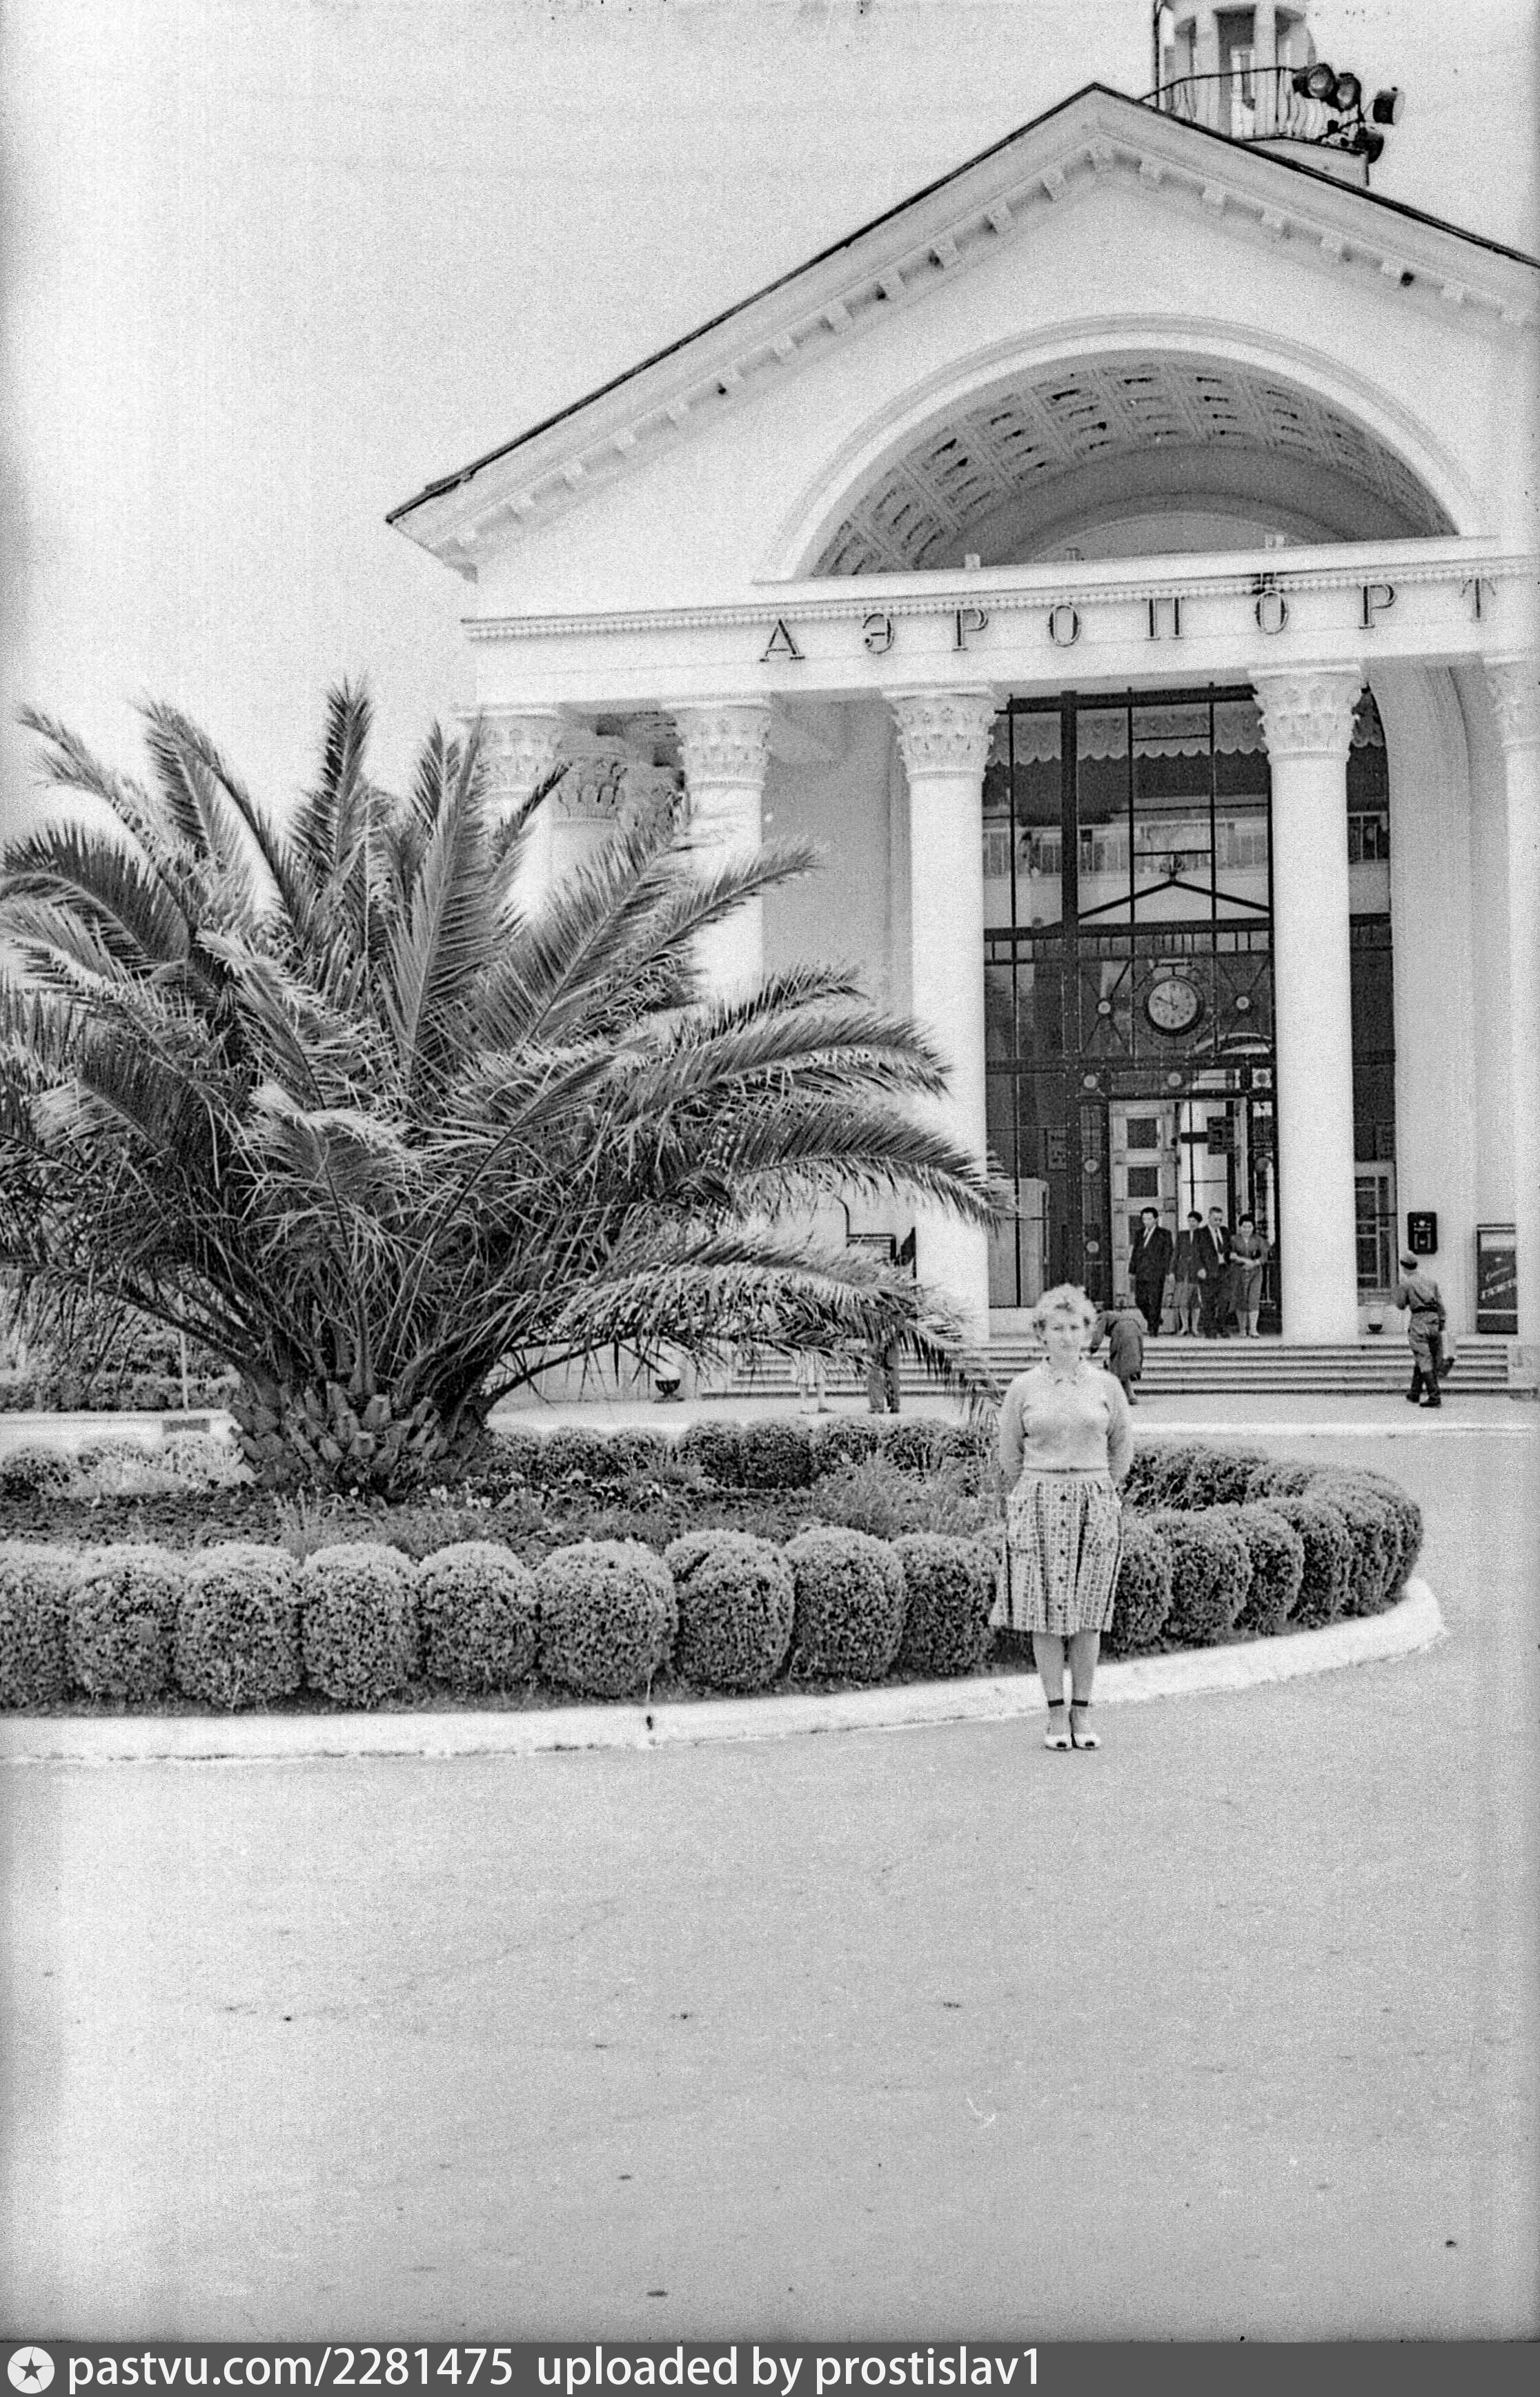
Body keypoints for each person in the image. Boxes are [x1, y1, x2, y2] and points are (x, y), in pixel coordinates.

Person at [994, 1282, 1134, 1751]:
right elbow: (1010, 1453)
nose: (1067, 1336)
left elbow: (1121, 1448)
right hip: (1039, 1500)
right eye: (1057, 1328)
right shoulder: (1023, 1388)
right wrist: (1041, 1485)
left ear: (1088, 1332)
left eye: (1075, 1327)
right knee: (1045, 1613)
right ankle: (1056, 1714)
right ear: (1042, 1334)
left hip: (1095, 1502)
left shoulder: (1107, 1386)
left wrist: (1098, 1487)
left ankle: (1083, 1711)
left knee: (1089, 1613)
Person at [1392, 1251, 1446, 1409]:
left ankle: (1434, 1396)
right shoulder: (1431, 1281)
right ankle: (1414, 1392)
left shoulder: (1406, 1283)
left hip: (1419, 1323)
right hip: (1434, 1321)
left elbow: (1401, 1305)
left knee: (1423, 1358)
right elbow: (1440, 1304)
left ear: (1403, 1266)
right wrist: (1442, 1322)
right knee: (1424, 1357)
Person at [1089, 1289, 1146, 1403]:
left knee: (1118, 1362)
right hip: (1136, 1330)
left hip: (1122, 1332)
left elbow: (1098, 1335)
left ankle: (1123, 1395)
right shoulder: (1119, 1314)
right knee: (1128, 1362)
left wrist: (1093, 1348)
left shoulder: (1103, 1316)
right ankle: (1129, 1395)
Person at [1129, 1206, 1174, 1336]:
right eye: (1144, 1219)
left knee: (1155, 1301)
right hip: (1141, 1272)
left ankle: (1153, 1329)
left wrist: (1168, 1271)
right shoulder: (1139, 1233)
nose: (1146, 1222)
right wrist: (1132, 1270)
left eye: (1149, 1219)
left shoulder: (1164, 1234)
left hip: (1156, 1273)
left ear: (1156, 1219)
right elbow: (1135, 1252)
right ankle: (1155, 1319)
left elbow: (1168, 1254)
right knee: (1140, 1300)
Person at [1228, 1213, 1269, 1338]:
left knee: (1253, 1299)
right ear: (1240, 1227)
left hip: (1255, 1273)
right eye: (1244, 1227)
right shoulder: (1233, 1239)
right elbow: (1231, 1256)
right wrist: (1245, 1261)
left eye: (1249, 1227)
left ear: (1253, 1228)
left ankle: (1253, 1329)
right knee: (1241, 1299)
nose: (1247, 1230)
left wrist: (1254, 1263)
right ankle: (1242, 1330)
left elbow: (1264, 1256)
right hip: (1238, 1271)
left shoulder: (1259, 1240)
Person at [1198, 1206, 1230, 1337]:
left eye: (1220, 1220)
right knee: (1208, 1301)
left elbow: (1229, 1248)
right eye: (1215, 1219)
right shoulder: (1201, 1233)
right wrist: (1200, 1268)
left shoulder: (1225, 1231)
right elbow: (1196, 1253)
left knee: (1224, 1300)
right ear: (1209, 1218)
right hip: (1207, 1271)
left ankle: (1221, 1326)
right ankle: (1210, 1329)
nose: (1218, 1222)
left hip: (1223, 1270)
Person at [865, 1331, 902, 1415]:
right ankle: (895, 1404)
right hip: (892, 1333)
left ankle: (877, 1405)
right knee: (892, 1369)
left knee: (875, 1370)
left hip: (877, 1333)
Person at [792, 1347, 831, 1412]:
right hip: (801, 1351)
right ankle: (804, 1405)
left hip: (818, 1351)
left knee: (820, 1376)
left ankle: (822, 1405)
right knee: (803, 1376)